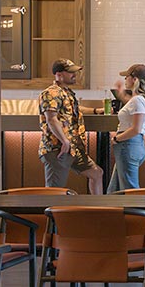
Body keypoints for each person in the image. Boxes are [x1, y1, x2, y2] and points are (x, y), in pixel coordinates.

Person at [38, 58, 104, 193]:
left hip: (73, 148)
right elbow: (51, 119)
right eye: (71, 72)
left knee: (96, 173)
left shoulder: (66, 92)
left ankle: (98, 209)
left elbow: (75, 110)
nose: (75, 75)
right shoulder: (51, 93)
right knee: (54, 192)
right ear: (59, 74)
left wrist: (96, 111)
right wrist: (64, 141)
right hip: (58, 148)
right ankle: (51, 214)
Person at [108, 63, 145, 192]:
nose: (125, 80)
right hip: (133, 145)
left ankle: (137, 212)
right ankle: (114, 211)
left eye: (127, 77)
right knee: (115, 189)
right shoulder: (139, 99)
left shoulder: (138, 101)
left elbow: (135, 129)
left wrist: (117, 139)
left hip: (128, 145)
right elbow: (131, 105)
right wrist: (120, 94)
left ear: (134, 79)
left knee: (129, 190)